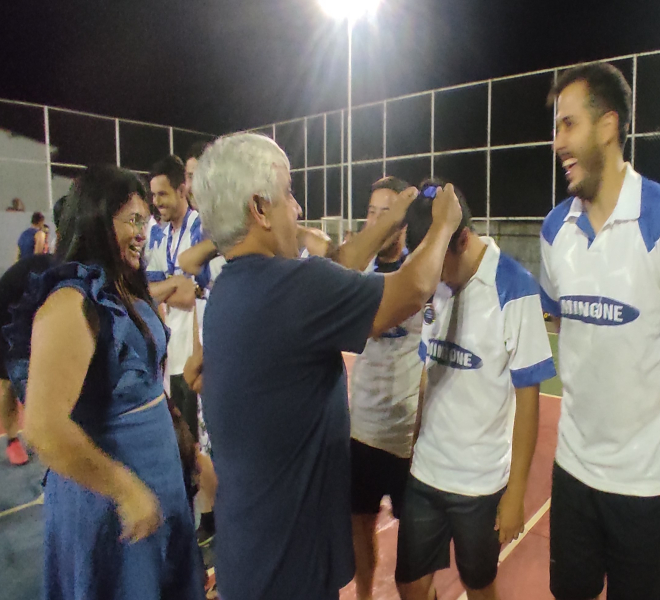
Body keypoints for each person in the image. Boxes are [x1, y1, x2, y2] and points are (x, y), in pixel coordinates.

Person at [194, 132, 463, 600]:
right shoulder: (293, 289)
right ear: (260, 208)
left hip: (249, 552)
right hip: (290, 566)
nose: (296, 210)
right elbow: (414, 288)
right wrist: (442, 225)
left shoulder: (227, 290)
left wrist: (388, 222)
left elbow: (337, 267)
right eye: (289, 194)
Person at [539, 62, 660, 600]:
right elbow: (559, 319)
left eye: (568, 125)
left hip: (644, 485)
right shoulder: (556, 230)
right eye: (556, 128)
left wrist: (652, 415)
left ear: (608, 126)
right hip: (572, 471)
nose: (557, 143)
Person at [3, 165, 202, 600]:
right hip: (110, 513)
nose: (141, 233)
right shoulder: (70, 303)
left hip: (157, 492)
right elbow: (43, 427)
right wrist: (126, 490)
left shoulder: (123, 290)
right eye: (132, 220)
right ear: (96, 218)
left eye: (144, 222)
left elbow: (147, 386)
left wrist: (187, 448)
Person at [395, 180, 555, 600]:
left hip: (480, 485)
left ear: (462, 239)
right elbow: (428, 373)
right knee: (409, 583)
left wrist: (516, 492)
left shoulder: (514, 287)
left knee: (478, 584)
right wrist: (414, 443)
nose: (428, 272)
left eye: (436, 258)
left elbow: (528, 397)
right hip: (427, 473)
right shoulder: (433, 284)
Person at [346, 175, 426, 600]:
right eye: (371, 213)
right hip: (362, 427)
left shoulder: (421, 271)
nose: (376, 221)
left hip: (408, 436)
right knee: (360, 524)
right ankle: (363, 596)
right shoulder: (354, 275)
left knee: (414, 556)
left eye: (386, 213)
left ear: (404, 222)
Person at [0, 196, 66, 466]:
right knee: (9, 377)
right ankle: (12, 439)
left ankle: (40, 429)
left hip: (29, 306)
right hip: (3, 309)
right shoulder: (51, 258)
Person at [145, 155, 201, 440]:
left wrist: (168, 288)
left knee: (198, 443)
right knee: (180, 442)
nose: (157, 201)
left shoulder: (200, 229)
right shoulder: (159, 236)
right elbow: (149, 293)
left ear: (182, 190)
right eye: (154, 195)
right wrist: (175, 284)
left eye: (163, 194)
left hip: (197, 357)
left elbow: (194, 295)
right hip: (171, 356)